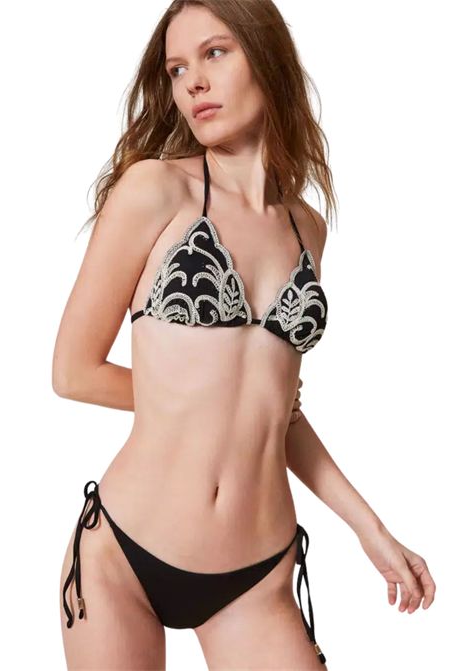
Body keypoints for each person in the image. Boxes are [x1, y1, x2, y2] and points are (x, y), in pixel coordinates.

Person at [53, 1, 436, 669]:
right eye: (177, 68)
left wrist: (371, 530)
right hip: (125, 555)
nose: (193, 82)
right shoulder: (155, 190)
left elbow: (277, 414)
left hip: (258, 573)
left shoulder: (306, 228)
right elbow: (73, 371)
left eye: (215, 53)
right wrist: (197, 402)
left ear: (266, 57)